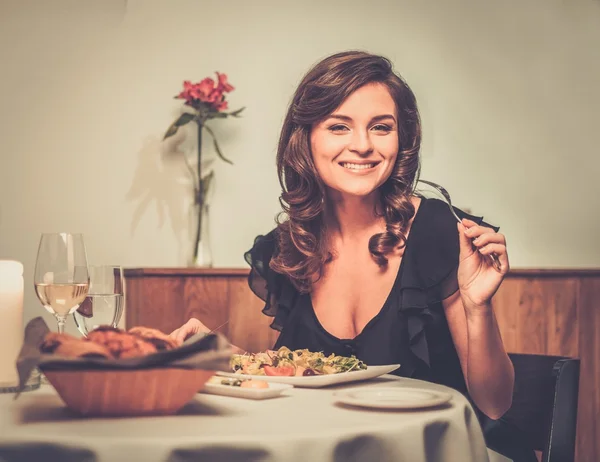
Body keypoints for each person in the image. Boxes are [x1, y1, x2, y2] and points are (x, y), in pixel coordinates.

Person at [170, 51, 536, 461]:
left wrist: (477, 307)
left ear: (402, 141)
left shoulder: (440, 231)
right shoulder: (288, 247)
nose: (361, 145)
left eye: (381, 128)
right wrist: (220, 355)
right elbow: (300, 377)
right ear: (306, 138)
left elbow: (494, 403)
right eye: (339, 126)